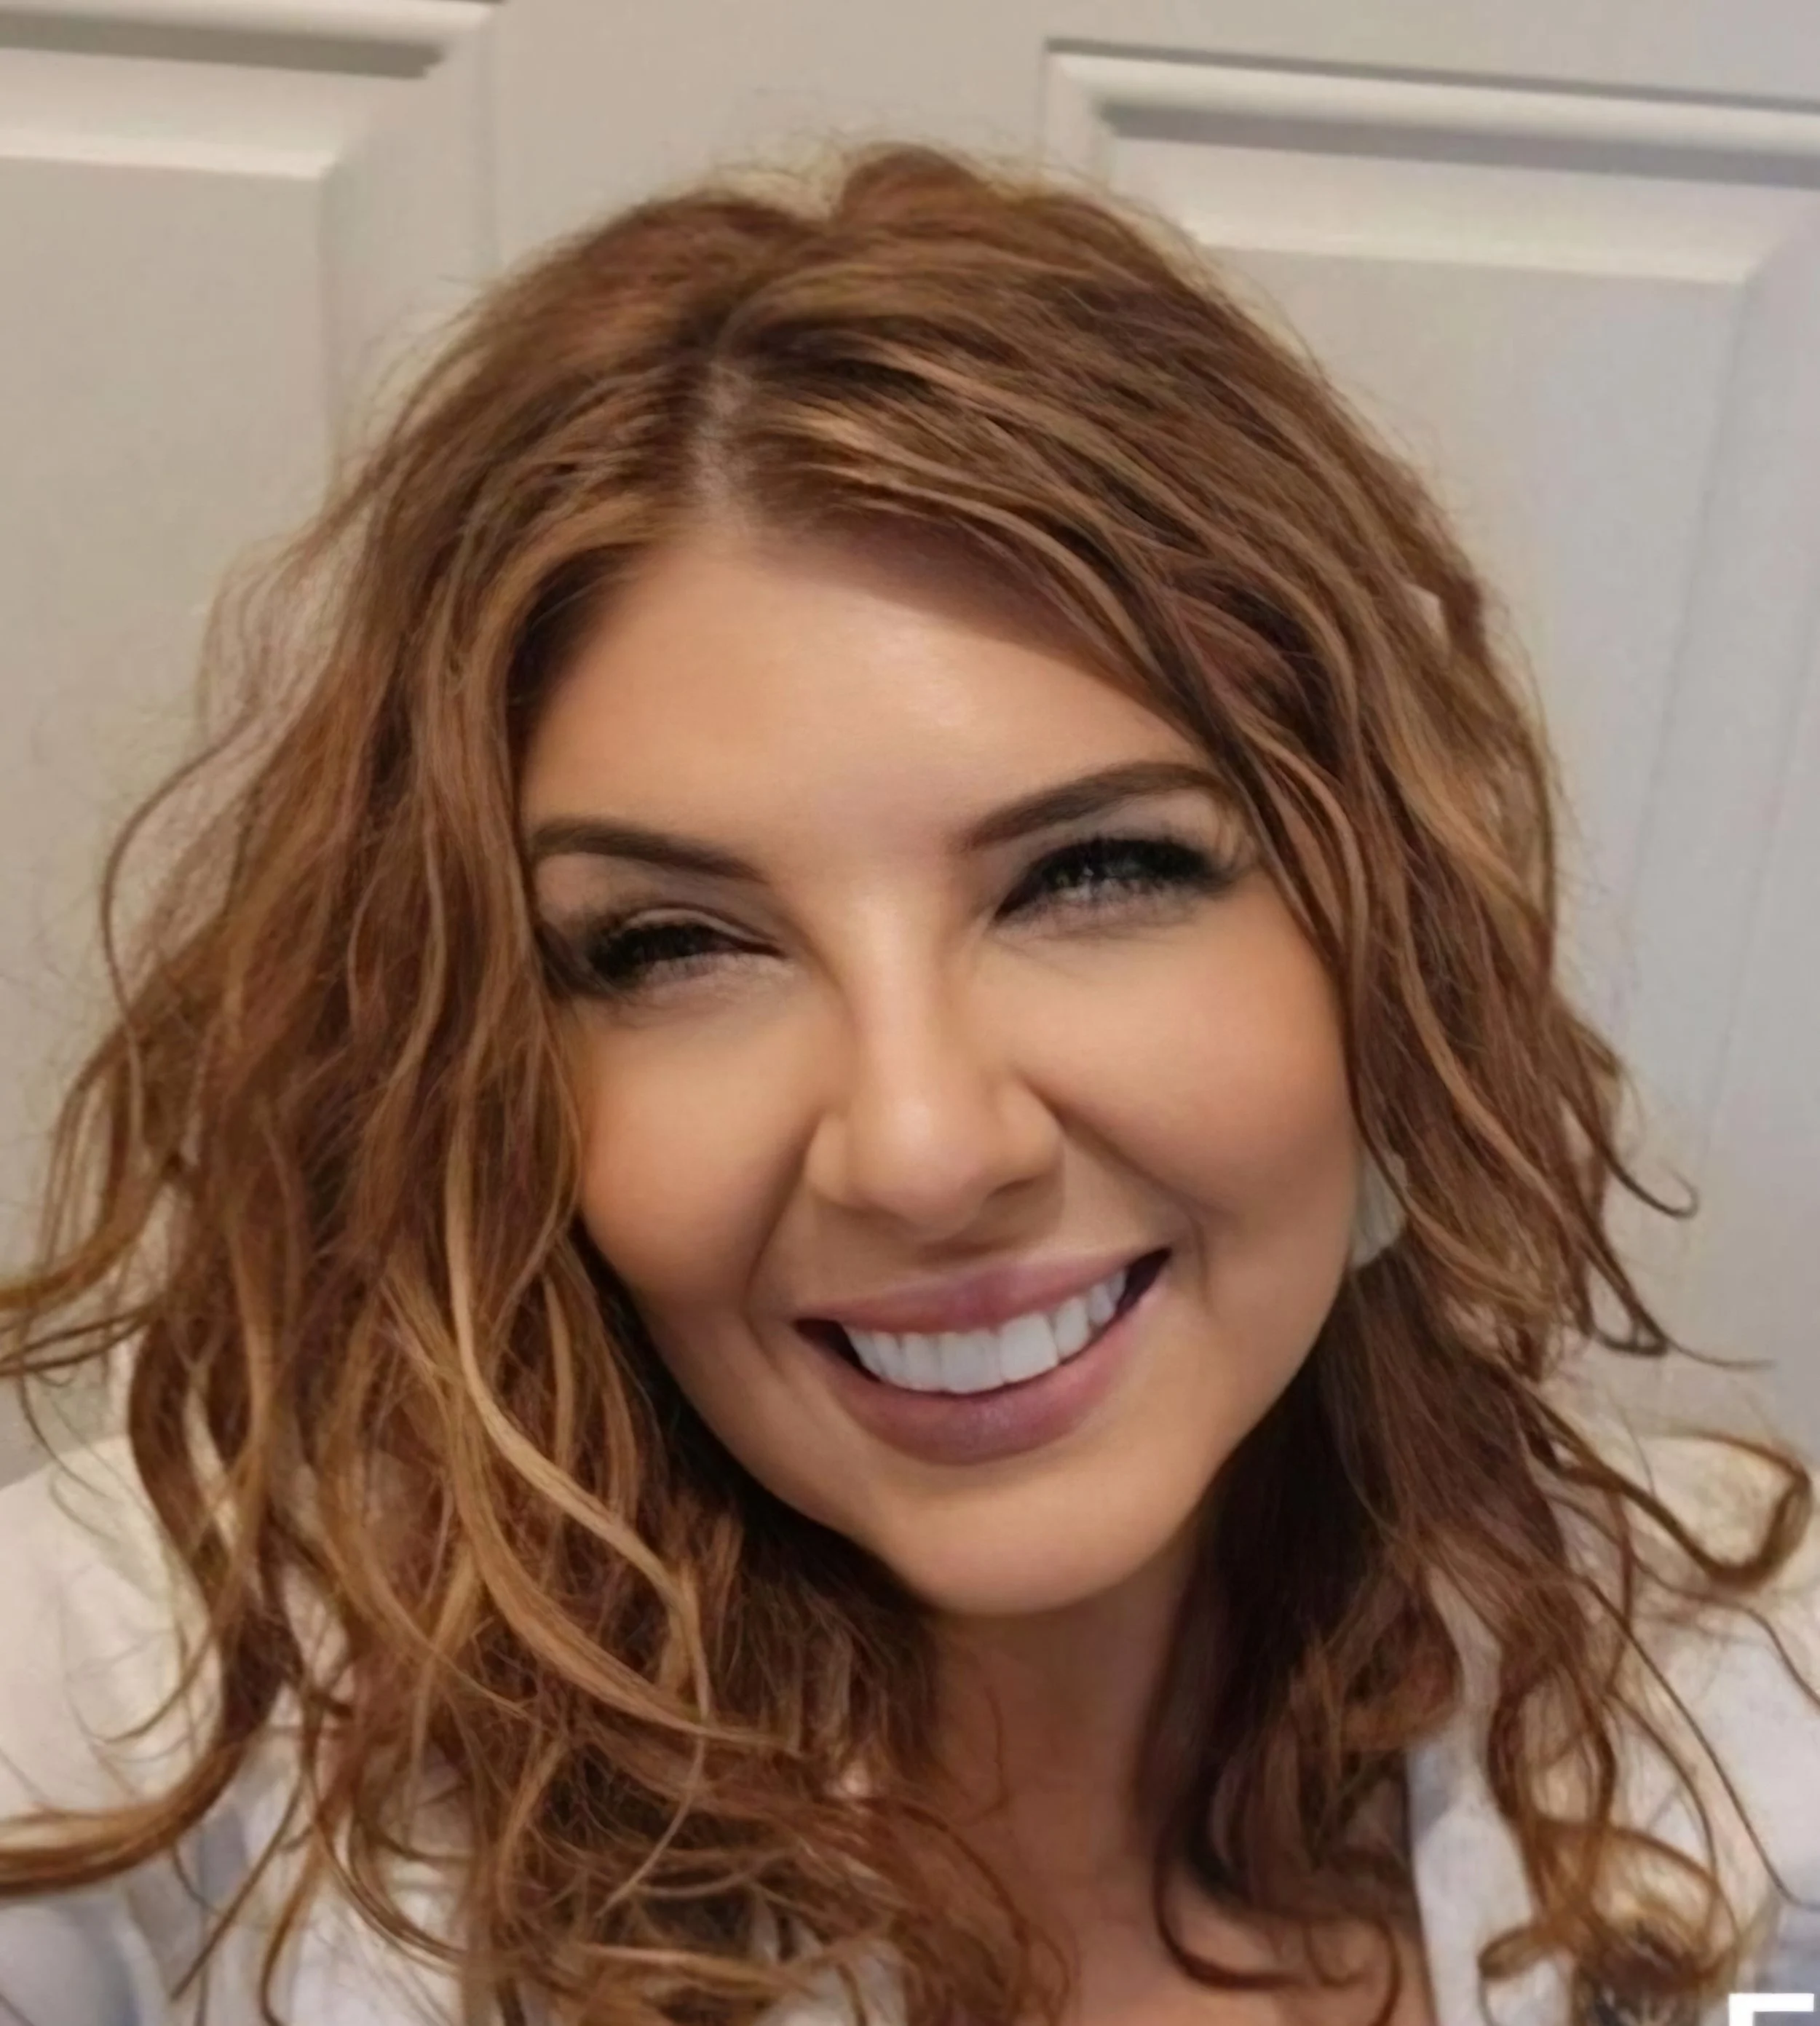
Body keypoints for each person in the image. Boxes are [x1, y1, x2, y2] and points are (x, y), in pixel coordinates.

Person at [1, 139, 1816, 2026]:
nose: (925, 1147)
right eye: (672, 946)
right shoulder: (137, 1712)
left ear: (1385, 943)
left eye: (1093, 872)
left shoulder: (1741, 1688)